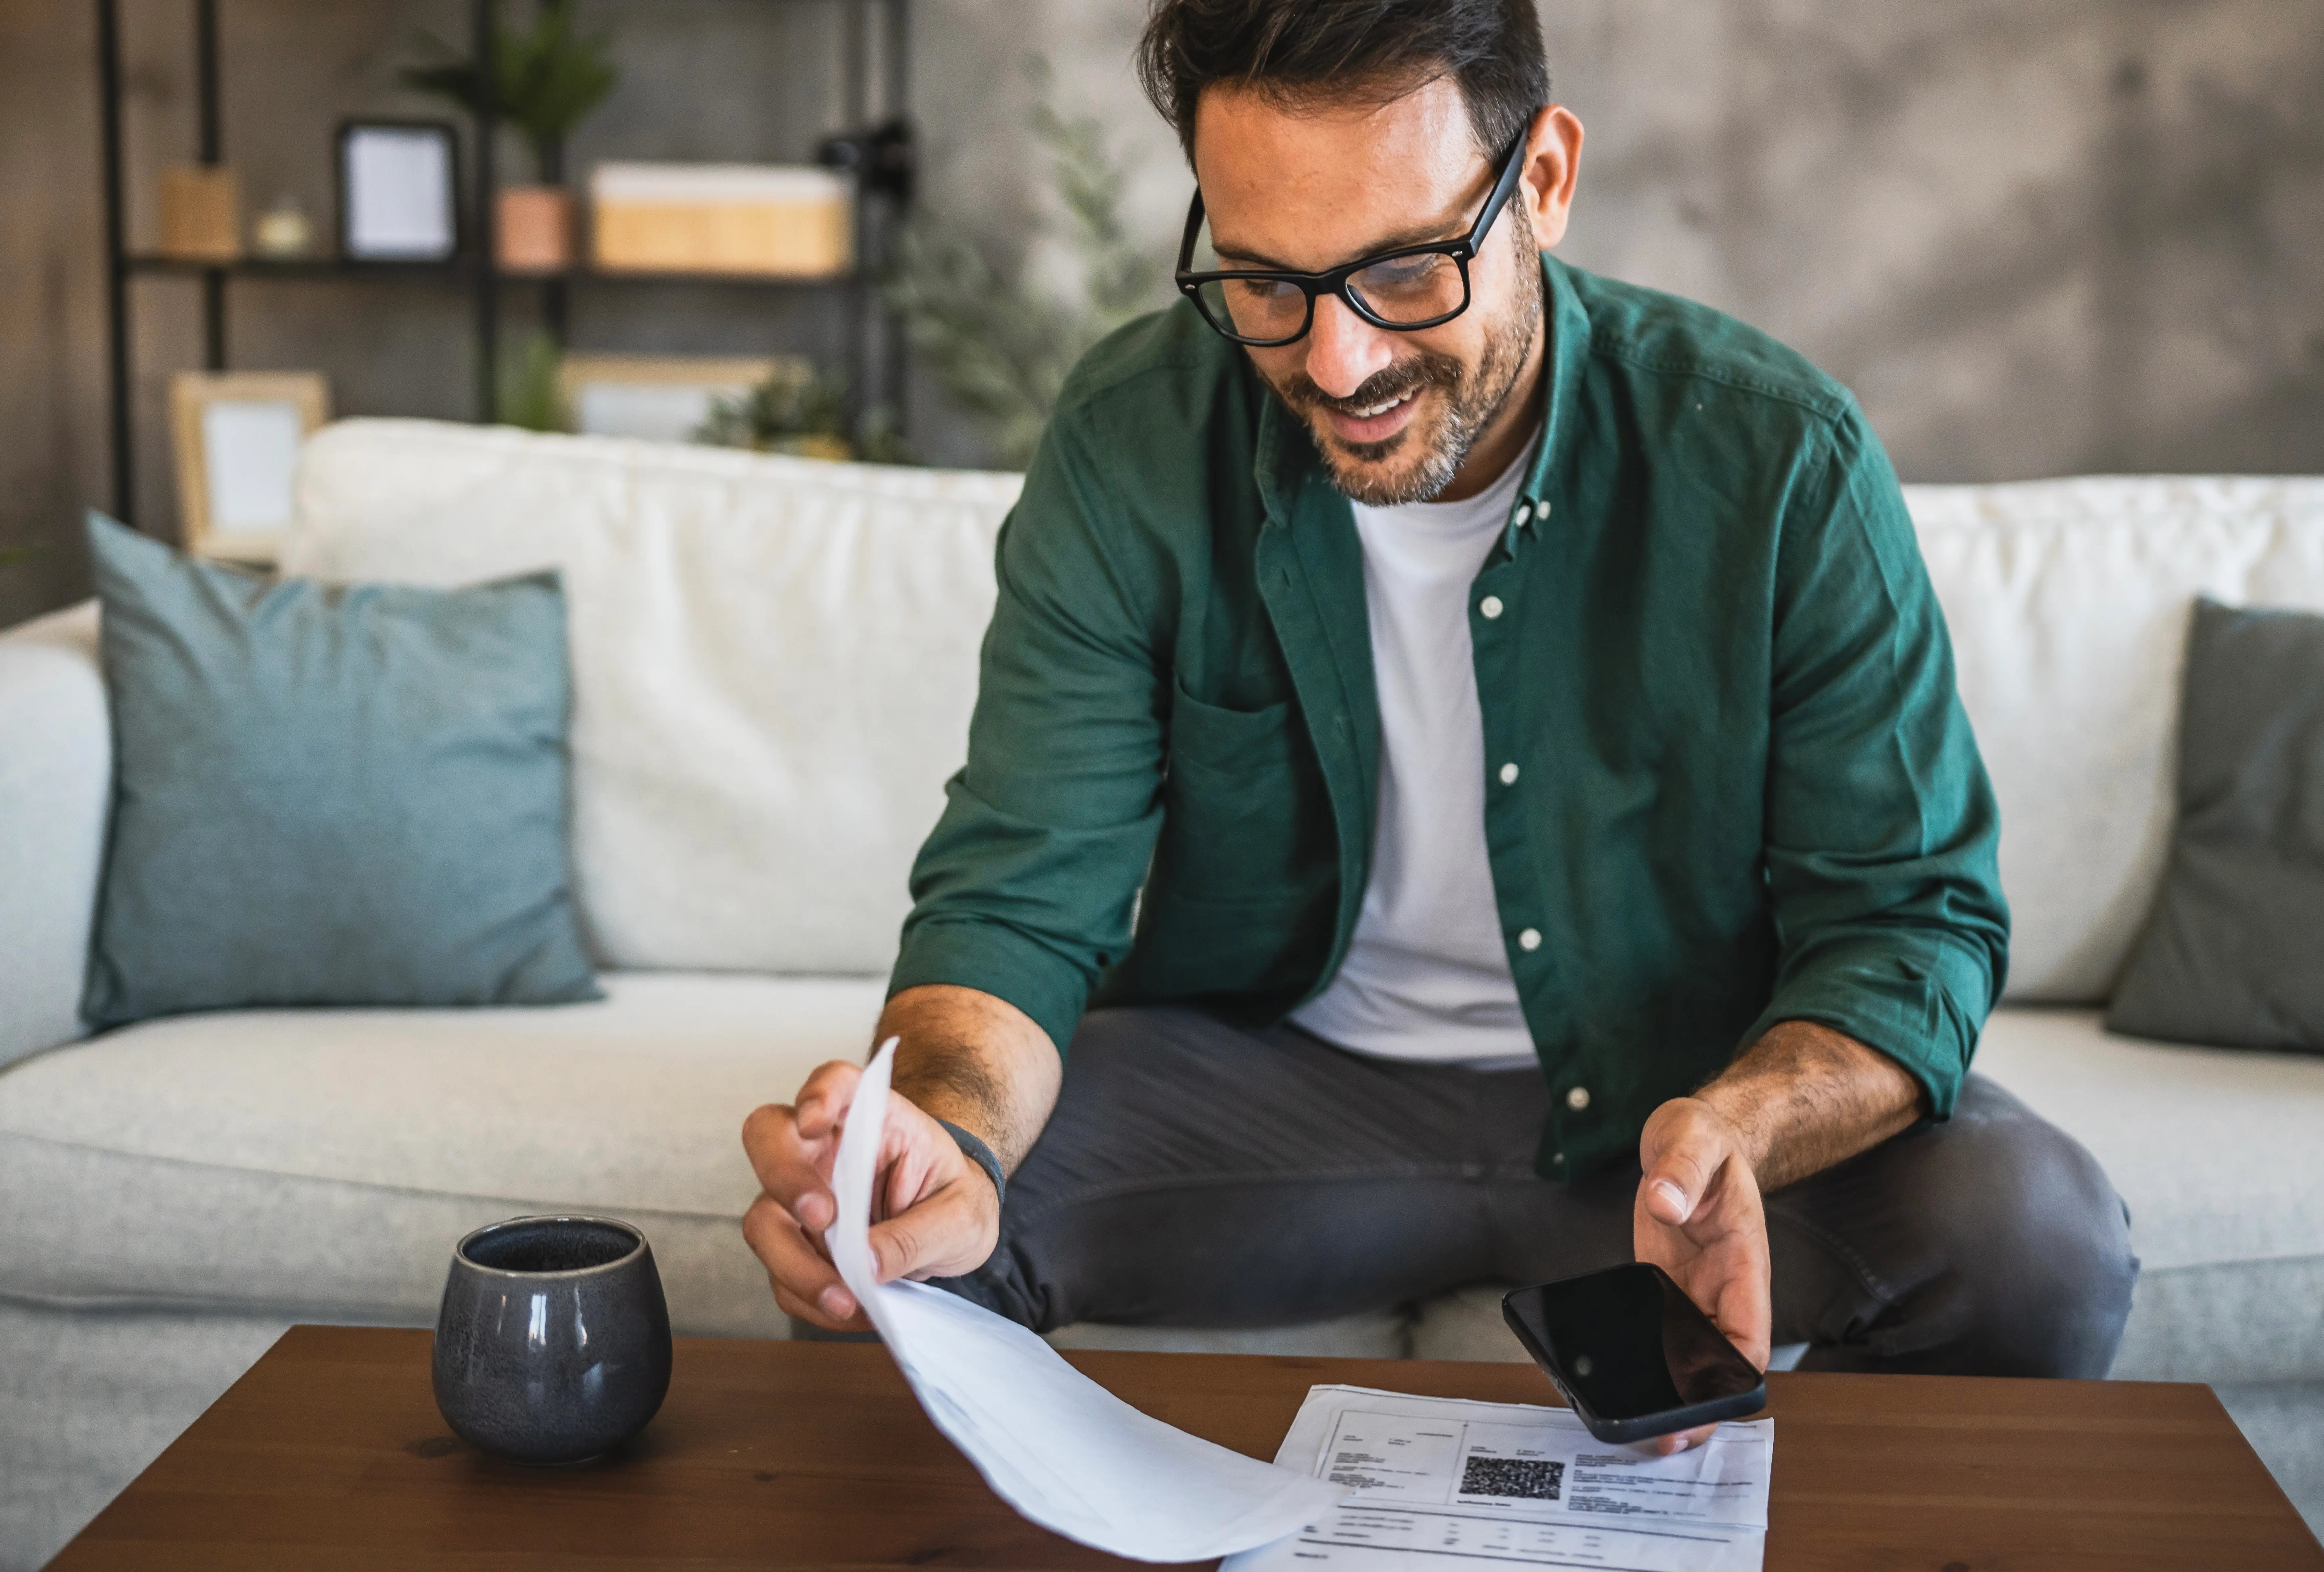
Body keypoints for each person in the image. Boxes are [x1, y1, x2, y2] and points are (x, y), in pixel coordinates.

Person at [743, 0, 2135, 1443]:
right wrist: (949, 1139)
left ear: (1541, 181)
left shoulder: (1780, 457)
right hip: (1274, 1091)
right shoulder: (1132, 439)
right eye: (1266, 281)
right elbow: (1022, 895)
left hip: (1673, 1111)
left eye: (1406, 270)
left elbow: (1912, 922)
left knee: (2034, 1238)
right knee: (889, 1246)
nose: (1337, 366)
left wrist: (1739, 1131)